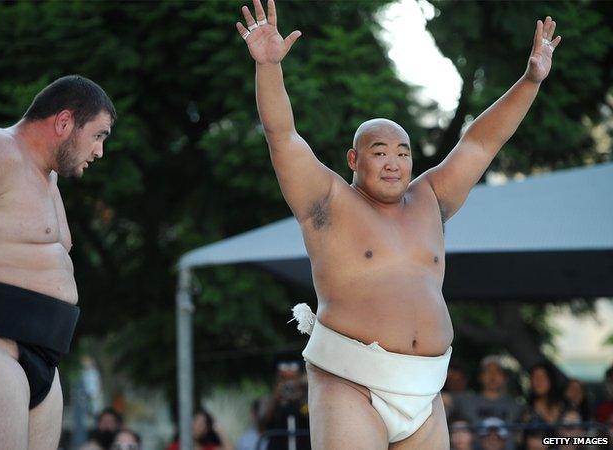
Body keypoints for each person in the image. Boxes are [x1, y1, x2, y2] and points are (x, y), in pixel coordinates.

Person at [236, 0, 561, 448]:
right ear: (354, 159)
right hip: (349, 383)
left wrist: (530, 81)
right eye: (380, 151)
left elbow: (481, 143)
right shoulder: (327, 202)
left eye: (403, 151)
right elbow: (282, 135)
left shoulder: (429, 198)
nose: (394, 162)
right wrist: (269, 67)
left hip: (425, 392)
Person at [0, 74, 116, 450]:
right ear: (64, 123)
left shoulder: (49, 180)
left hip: (45, 358)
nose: (99, 152)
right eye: (98, 135)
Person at [258, 361, 310, 450]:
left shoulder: (305, 400)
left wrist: (300, 400)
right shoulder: (270, 400)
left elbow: (312, 418)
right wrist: (276, 398)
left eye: (292, 378)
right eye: (284, 378)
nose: (288, 383)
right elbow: (261, 423)